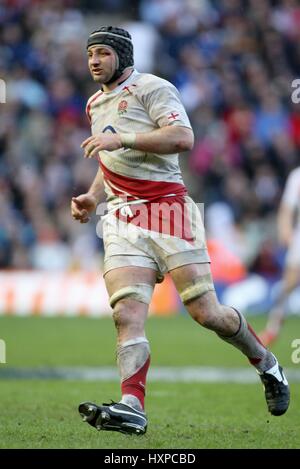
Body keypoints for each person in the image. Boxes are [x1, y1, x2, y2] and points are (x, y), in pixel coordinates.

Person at [71, 26, 290, 436]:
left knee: (207, 313)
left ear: (121, 55)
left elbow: (183, 137)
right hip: (120, 218)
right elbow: (110, 157)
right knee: (126, 312)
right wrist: (91, 196)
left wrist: (124, 139)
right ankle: (132, 405)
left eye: (102, 53)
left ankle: (266, 363)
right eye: (90, 54)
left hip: (168, 210)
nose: (94, 61)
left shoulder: (153, 88)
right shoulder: (94, 104)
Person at [259, 167, 300, 346]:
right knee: (288, 284)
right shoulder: (297, 176)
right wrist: (286, 230)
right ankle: (272, 328)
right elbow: (286, 208)